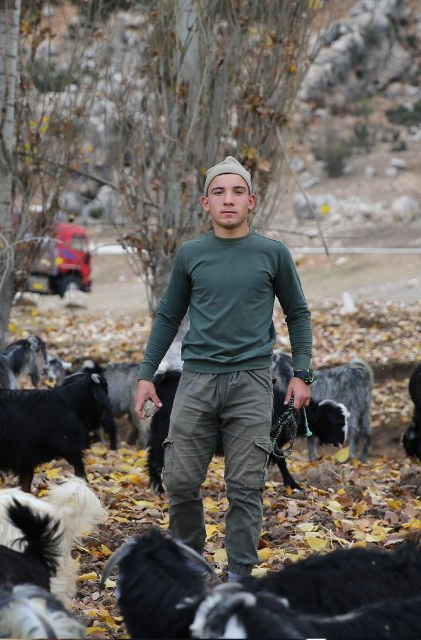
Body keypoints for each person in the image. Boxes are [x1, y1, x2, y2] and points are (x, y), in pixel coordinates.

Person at [133, 155, 314, 581]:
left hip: (252, 383)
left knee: (246, 486)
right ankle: (191, 569)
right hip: (195, 382)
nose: (228, 200)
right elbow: (166, 316)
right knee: (177, 480)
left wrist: (302, 373)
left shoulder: (272, 254)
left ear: (251, 201)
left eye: (237, 192)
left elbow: (298, 313)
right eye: (219, 192)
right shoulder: (191, 254)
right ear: (205, 202)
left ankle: (239, 581)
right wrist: (145, 374)